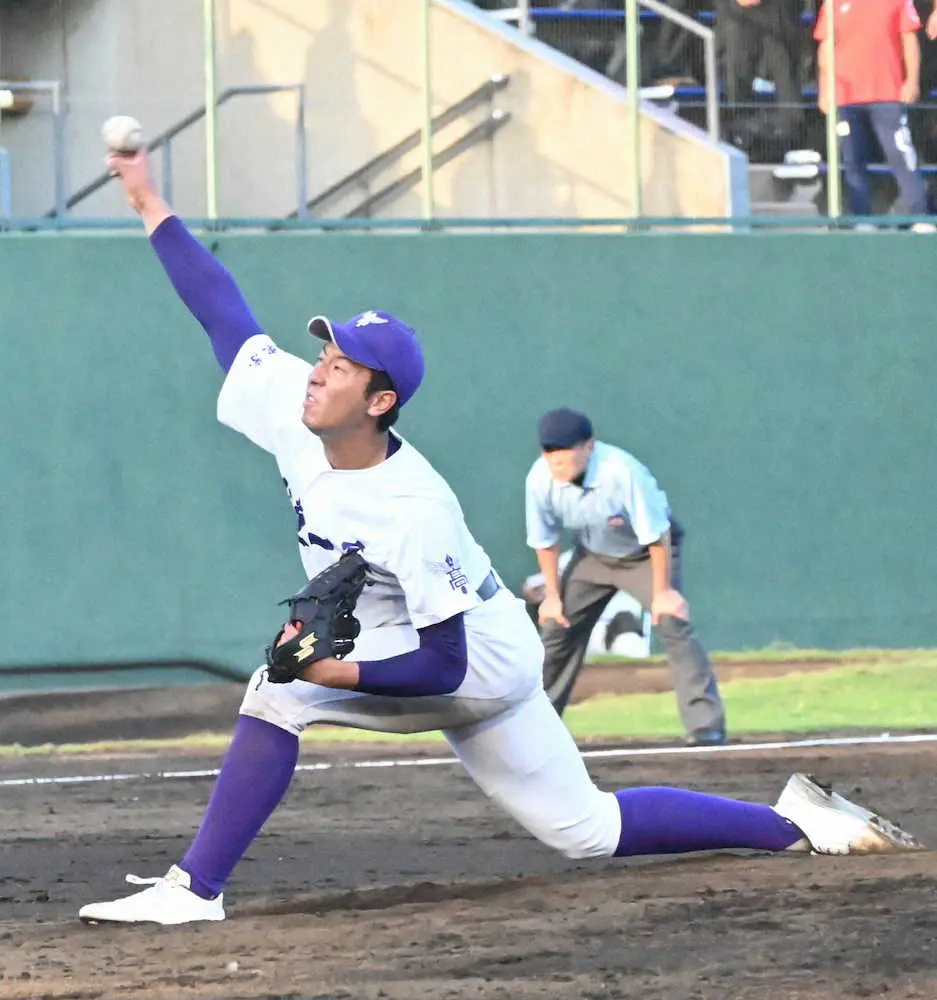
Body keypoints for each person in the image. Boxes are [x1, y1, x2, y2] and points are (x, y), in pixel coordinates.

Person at [78, 150, 922, 926]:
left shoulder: (412, 506)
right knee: (586, 829)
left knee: (280, 689)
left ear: (379, 402)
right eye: (325, 355)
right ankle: (792, 826)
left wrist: (337, 672)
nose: (319, 371)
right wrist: (149, 200)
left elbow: (444, 667)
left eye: (341, 365)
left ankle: (195, 890)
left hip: (472, 659)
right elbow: (223, 313)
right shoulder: (300, 412)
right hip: (426, 636)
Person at [525, 408, 726, 746]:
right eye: (549, 450)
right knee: (557, 627)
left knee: (671, 620)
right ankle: (533, 731)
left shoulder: (622, 471)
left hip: (646, 555)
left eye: (564, 449)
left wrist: (663, 593)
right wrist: (554, 598)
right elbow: (545, 540)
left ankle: (705, 725)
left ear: (588, 447)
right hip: (592, 556)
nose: (555, 459)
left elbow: (657, 536)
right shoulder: (539, 479)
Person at [814, 0, 933, 224]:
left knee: (901, 156)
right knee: (852, 159)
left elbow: (909, 40)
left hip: (887, 94)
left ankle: (921, 217)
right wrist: (825, 89)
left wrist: (911, 81)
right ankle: (862, 221)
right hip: (846, 98)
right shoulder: (832, 3)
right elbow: (826, 47)